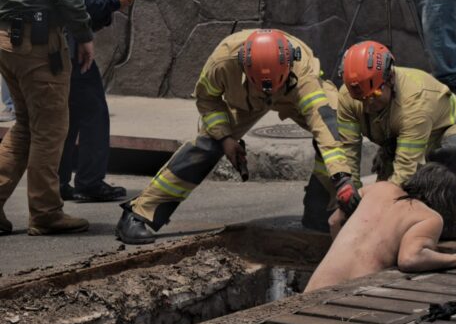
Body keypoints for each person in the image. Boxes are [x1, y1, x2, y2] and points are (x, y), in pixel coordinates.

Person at [116, 29, 350, 244]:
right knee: (206, 146)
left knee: (335, 129)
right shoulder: (223, 61)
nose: (267, 92)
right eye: (261, 85)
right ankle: (138, 214)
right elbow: (207, 99)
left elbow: (323, 126)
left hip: (291, 92)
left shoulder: (302, 70)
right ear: (243, 66)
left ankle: (320, 211)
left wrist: (342, 179)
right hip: (244, 100)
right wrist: (225, 138)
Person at [333, 40, 456, 239]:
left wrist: (373, 209)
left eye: (375, 94)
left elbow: (406, 168)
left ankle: (447, 216)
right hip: (399, 135)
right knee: (386, 205)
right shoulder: (349, 95)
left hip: (449, 131)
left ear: (390, 78)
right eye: (360, 99)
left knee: (454, 152)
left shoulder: (415, 101)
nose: (368, 106)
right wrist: (349, 189)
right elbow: (348, 150)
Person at [0, 0, 94, 235]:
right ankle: (45, 212)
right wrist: (83, 34)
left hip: (5, 40)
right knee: (51, 127)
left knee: (26, 124)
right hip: (36, 43)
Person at [56, 0, 134, 201]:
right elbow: (81, 5)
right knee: (93, 113)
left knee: (71, 117)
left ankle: (60, 181)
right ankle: (88, 181)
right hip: (72, 45)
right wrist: (114, 1)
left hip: (65, 43)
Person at [305, 163, 456, 292]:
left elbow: (334, 221)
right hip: (355, 293)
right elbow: (411, 259)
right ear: (446, 202)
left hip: (317, 286)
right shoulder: (430, 217)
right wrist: (455, 259)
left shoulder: (378, 188)